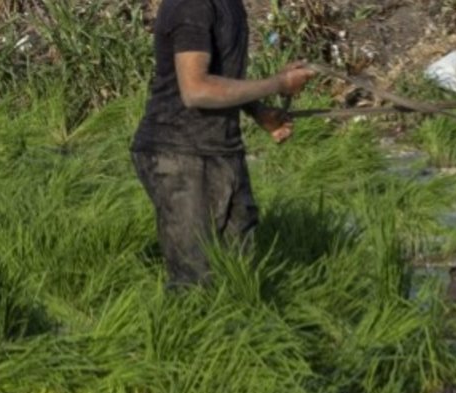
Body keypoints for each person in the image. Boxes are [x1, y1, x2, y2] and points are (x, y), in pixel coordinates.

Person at [130, 0, 318, 288]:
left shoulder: (230, 5)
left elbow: (222, 76)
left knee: (240, 277)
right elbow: (196, 90)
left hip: (223, 150)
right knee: (194, 282)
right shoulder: (191, 6)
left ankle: (239, 332)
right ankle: (180, 332)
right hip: (179, 153)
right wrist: (277, 83)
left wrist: (259, 112)